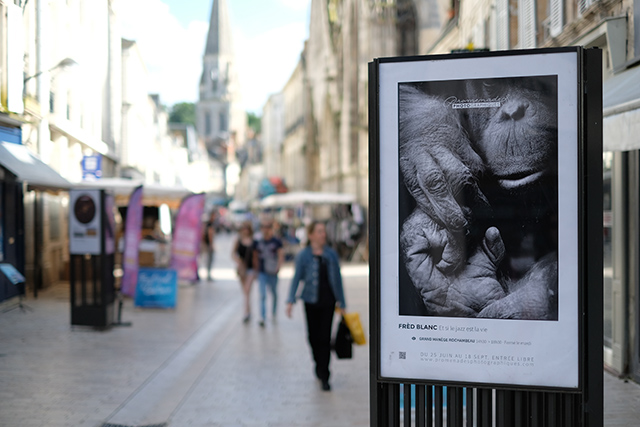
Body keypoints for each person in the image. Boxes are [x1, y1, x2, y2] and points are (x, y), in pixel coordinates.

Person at [286, 221, 346, 391]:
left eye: (323, 232)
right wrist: (290, 300)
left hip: (328, 302)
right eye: (319, 232)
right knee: (312, 337)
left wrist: (342, 302)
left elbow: (338, 279)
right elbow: (296, 277)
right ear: (311, 235)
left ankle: (325, 374)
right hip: (310, 301)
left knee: (324, 338)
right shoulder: (303, 255)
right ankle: (318, 364)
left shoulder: (331, 255)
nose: (323, 235)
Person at [253, 220, 284, 327]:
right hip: (262, 271)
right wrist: (256, 270)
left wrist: (278, 266)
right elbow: (255, 256)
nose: (266, 230)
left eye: (268, 227)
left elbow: (281, 254)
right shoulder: (258, 241)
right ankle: (263, 316)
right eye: (264, 227)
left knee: (274, 293)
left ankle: (274, 313)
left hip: (273, 271)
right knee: (262, 294)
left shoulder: (276, 241)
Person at [232, 221, 256, 323]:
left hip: (251, 269)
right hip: (242, 269)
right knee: (245, 292)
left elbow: (256, 256)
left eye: (247, 228)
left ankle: (246, 312)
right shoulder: (238, 240)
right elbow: (233, 253)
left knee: (247, 289)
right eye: (243, 228)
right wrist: (238, 261)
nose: (245, 230)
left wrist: (257, 269)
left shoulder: (254, 241)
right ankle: (248, 311)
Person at [203, 211, 216, 281]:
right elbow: (210, 235)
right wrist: (211, 245)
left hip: (207, 244)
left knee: (209, 260)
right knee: (209, 260)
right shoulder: (210, 224)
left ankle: (208, 274)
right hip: (208, 245)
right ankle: (208, 274)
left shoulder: (208, 224)